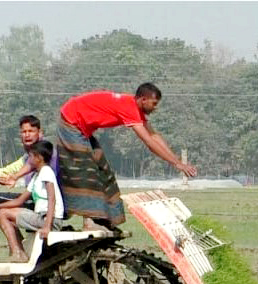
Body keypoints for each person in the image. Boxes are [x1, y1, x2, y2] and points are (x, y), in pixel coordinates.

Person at [56, 82, 197, 230]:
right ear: (143, 99)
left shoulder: (134, 108)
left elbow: (154, 136)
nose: (156, 108)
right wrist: (177, 164)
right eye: (154, 103)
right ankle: (89, 222)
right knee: (88, 171)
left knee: (104, 171)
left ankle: (104, 220)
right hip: (71, 123)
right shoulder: (129, 108)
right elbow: (149, 142)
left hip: (83, 129)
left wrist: (178, 161)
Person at [0, 140, 64, 262]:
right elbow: (19, 201)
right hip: (41, 217)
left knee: (3, 214)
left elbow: (52, 199)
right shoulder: (37, 176)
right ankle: (19, 250)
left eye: (31, 156)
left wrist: (47, 226)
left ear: (39, 158)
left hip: (49, 220)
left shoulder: (46, 172)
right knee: (0, 213)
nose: (29, 160)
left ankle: (18, 252)